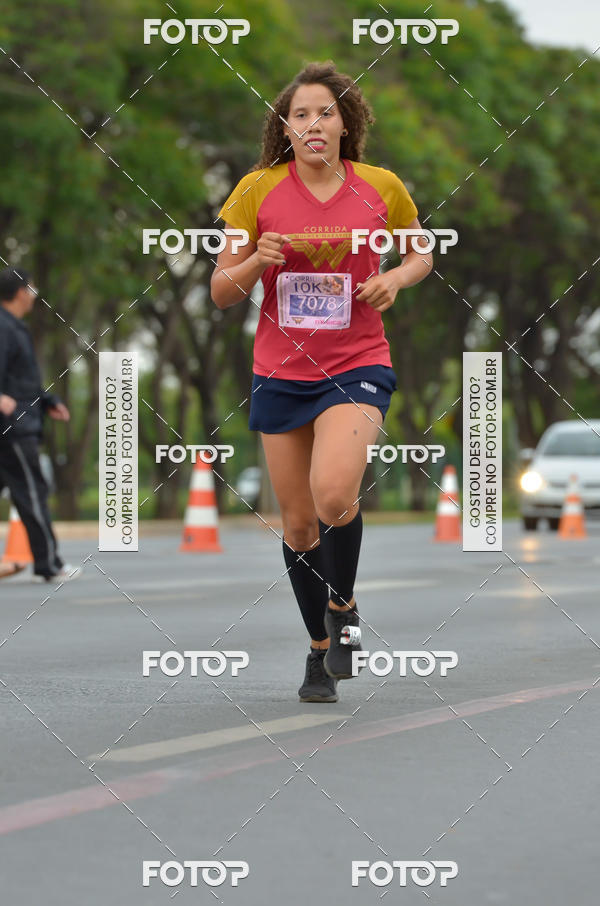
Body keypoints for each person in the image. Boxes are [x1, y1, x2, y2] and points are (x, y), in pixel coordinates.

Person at [211, 62, 432, 702]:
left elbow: (421, 251)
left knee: (335, 495)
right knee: (301, 527)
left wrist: (395, 278)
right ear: (285, 127)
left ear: (345, 123)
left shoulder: (381, 186)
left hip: (357, 362)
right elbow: (221, 290)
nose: (313, 123)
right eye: (300, 114)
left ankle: (345, 609)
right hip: (280, 371)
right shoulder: (256, 190)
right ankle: (318, 651)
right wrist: (255, 260)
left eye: (325, 112)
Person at [0, 267, 80, 583]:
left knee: (28, 488)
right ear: (22, 292)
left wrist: (47, 401)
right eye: (32, 288)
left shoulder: (14, 327)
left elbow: (22, 380)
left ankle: (49, 562)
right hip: (14, 428)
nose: (35, 295)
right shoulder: (4, 328)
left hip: (19, 420)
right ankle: (50, 564)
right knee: (32, 490)